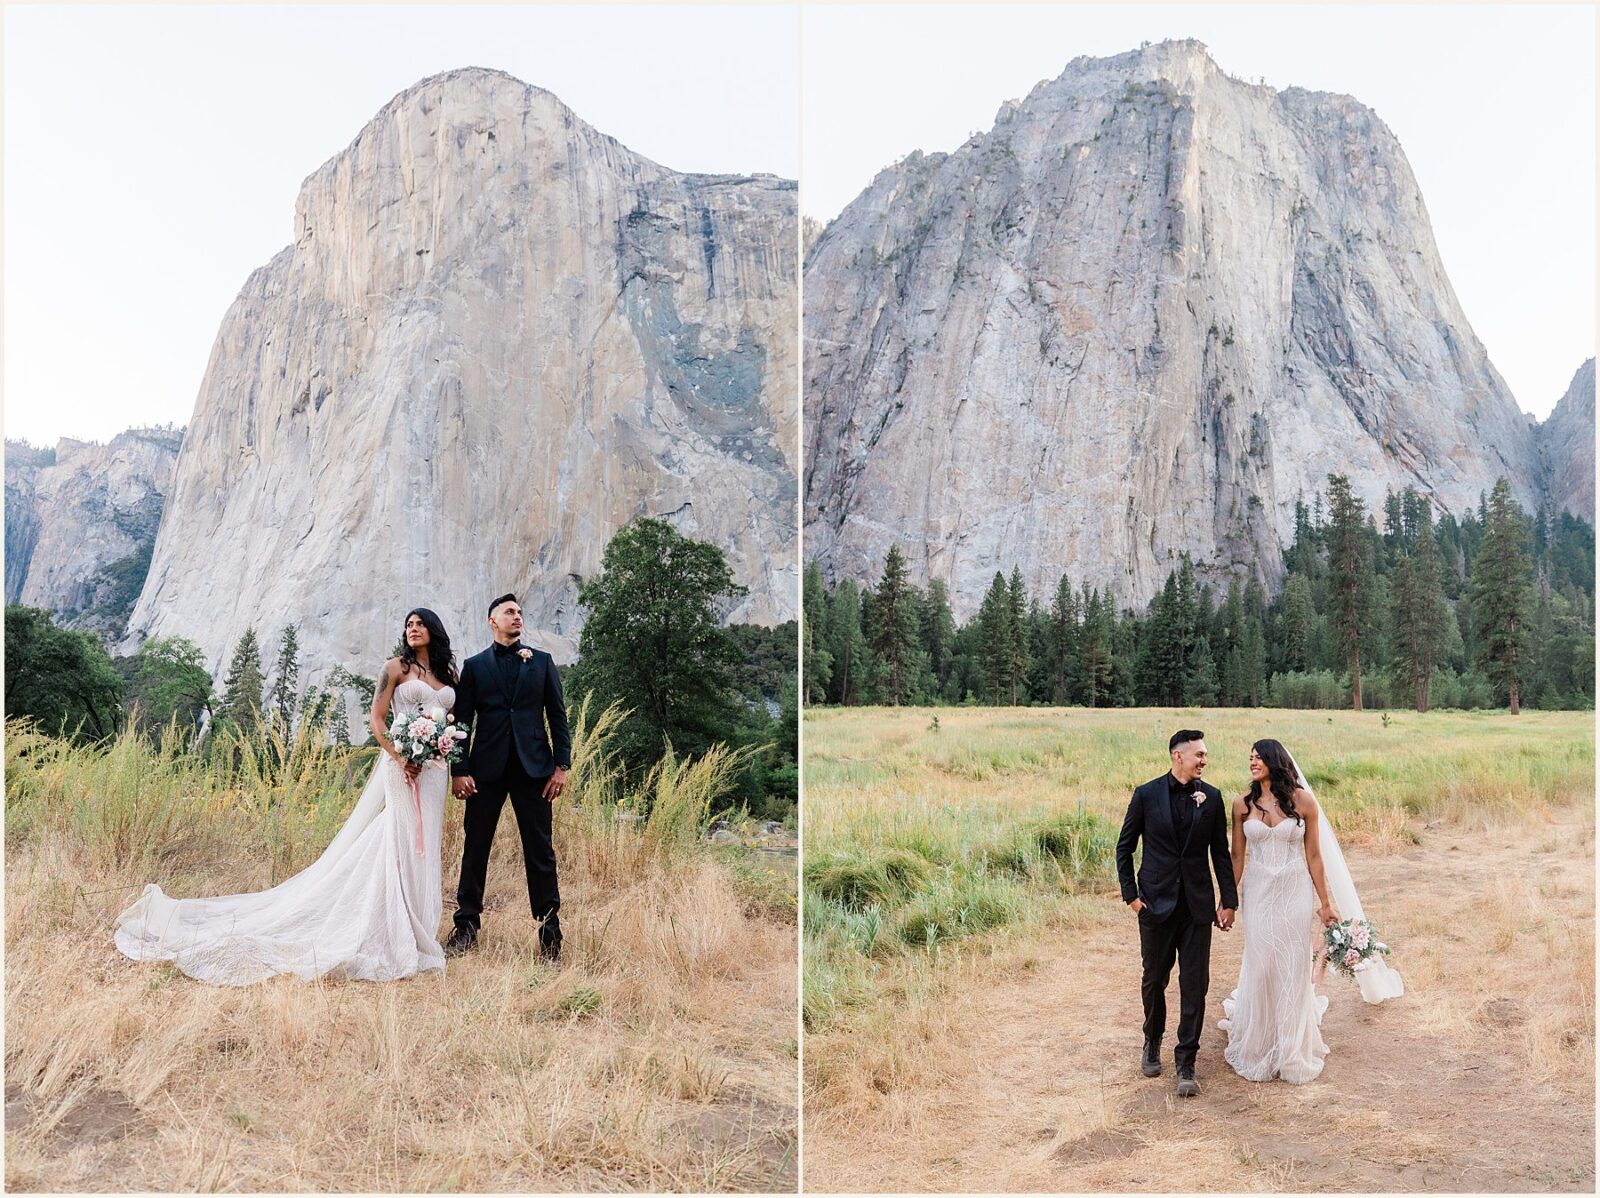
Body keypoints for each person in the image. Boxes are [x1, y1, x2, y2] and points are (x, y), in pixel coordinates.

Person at [113, 609, 459, 985]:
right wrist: (400, 754)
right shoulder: (395, 668)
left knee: (424, 846)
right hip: (401, 765)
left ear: (433, 630)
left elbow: (452, 721)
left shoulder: (448, 677)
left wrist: (435, 751)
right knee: (399, 838)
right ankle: (391, 927)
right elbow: (378, 719)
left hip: (434, 773)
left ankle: (419, 926)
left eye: (419, 624)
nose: (412, 629)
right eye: (408, 625)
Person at [1218, 738, 1403, 1083]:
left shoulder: (1303, 802)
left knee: (1291, 962)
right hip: (1258, 892)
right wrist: (1228, 899)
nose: (1252, 763)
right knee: (1260, 961)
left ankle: (1290, 1046)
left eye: (1258, 758)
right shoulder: (1241, 804)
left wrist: (1326, 903)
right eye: (1250, 758)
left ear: (1275, 761)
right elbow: (1237, 856)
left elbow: (1314, 856)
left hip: (1294, 890)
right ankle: (1259, 1042)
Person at [445, 593, 571, 962]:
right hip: (485, 772)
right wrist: (459, 769)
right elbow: (461, 723)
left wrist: (560, 767)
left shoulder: (543, 663)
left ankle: (550, 935)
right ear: (492, 621)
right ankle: (466, 927)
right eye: (509, 612)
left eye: (519, 612)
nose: (517, 617)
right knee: (475, 849)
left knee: (541, 853)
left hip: (536, 771)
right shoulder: (475, 666)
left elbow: (558, 718)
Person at [1115, 729, 1238, 1097]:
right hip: (1155, 904)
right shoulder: (1146, 794)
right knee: (1154, 979)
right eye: (1199, 754)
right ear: (1177, 756)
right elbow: (1124, 848)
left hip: (1197, 906)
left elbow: (1220, 852)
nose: (1204, 760)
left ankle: (1187, 1061)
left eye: (1205, 755)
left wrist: (1228, 900)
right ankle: (1152, 1040)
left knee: (1195, 984)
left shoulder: (1212, 798)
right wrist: (1132, 898)